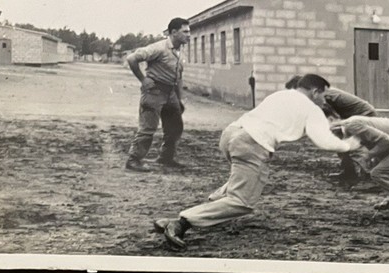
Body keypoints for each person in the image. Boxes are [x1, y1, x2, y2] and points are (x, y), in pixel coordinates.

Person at [154, 73, 361, 250]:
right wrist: (350, 145)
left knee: (247, 179)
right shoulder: (311, 108)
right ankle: (182, 222)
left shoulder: (281, 94)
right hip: (252, 144)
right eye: (324, 95)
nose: (325, 100)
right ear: (315, 91)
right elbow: (323, 141)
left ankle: (209, 204)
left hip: (230, 135)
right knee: (243, 202)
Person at [125, 18, 191, 173]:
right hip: (154, 92)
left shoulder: (178, 52)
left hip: (170, 93)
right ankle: (133, 160)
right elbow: (132, 58)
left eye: (189, 31)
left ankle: (166, 158)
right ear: (173, 32)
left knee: (175, 126)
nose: (189, 35)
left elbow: (178, 78)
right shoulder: (159, 48)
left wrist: (179, 99)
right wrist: (143, 79)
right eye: (185, 31)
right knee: (148, 128)